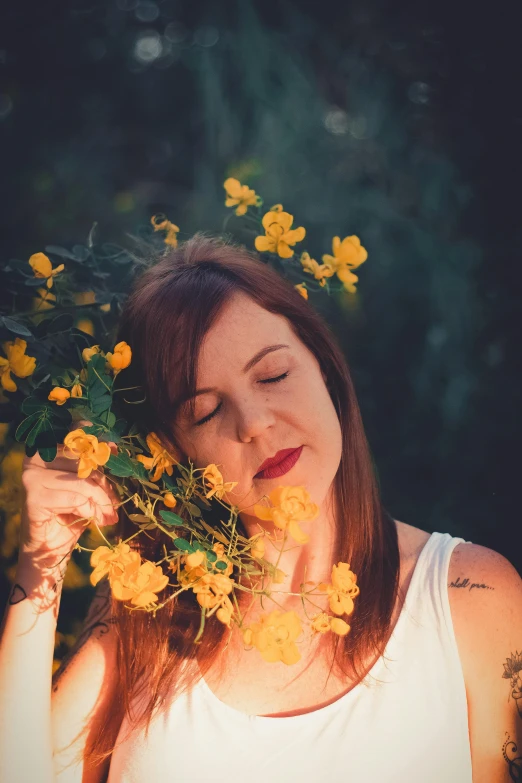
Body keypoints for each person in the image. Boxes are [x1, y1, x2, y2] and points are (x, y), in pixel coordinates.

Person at [1, 233, 521, 783]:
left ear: (325, 368)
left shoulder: (470, 597)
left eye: (273, 375)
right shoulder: (146, 616)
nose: (253, 423)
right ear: (174, 451)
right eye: (204, 411)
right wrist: (43, 563)